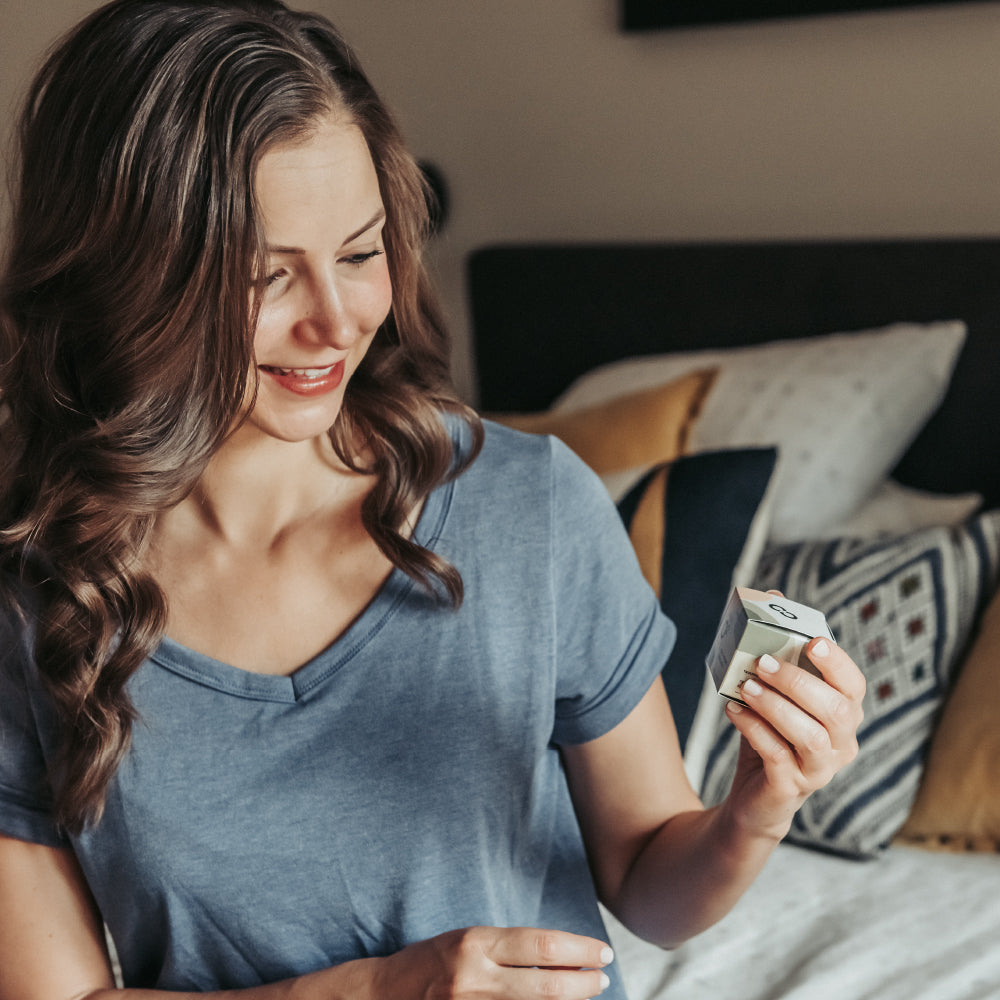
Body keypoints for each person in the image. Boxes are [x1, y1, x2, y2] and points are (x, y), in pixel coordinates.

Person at [0, 2, 866, 998]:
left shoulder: (527, 508)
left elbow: (648, 883)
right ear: (127, 278)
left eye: (361, 253)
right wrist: (373, 990)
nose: (336, 321)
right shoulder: (33, 593)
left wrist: (760, 801)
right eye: (264, 276)